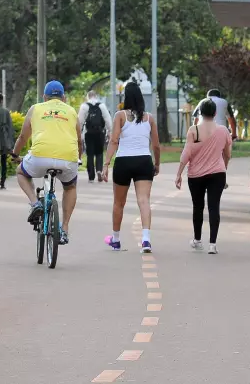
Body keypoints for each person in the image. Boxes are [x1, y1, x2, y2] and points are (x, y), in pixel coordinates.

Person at [10, 80, 82, 245]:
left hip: (40, 157)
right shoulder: (71, 112)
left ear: (44, 97)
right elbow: (79, 140)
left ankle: (35, 203)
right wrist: (78, 158)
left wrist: (15, 154)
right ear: (63, 98)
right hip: (68, 158)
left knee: (21, 172)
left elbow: (23, 137)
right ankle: (64, 229)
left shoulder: (35, 109)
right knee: (70, 186)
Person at [102, 82, 161, 253]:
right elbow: (156, 145)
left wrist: (106, 164)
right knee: (144, 200)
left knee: (118, 203)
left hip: (123, 161)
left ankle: (116, 239)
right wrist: (156, 164)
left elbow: (114, 141)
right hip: (144, 161)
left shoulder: (120, 115)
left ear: (125, 97)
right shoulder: (149, 118)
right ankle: (146, 240)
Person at [175, 98, 232, 255]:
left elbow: (187, 153)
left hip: (196, 175)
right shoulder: (223, 131)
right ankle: (212, 244)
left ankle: (197, 240)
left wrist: (179, 173)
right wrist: (223, 169)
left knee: (198, 207)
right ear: (215, 113)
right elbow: (227, 154)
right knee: (214, 207)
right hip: (217, 174)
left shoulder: (194, 130)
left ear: (200, 112)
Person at [78, 90, 113, 183]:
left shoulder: (84, 106)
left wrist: (78, 133)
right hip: (100, 132)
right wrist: (110, 130)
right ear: (96, 96)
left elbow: (80, 121)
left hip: (88, 133)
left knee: (89, 154)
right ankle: (99, 170)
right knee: (99, 153)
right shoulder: (102, 105)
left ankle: (91, 177)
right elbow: (108, 119)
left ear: (88, 96)